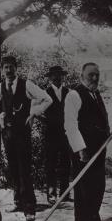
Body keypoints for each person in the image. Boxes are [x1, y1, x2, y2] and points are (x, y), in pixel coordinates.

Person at [0, 55, 52, 221]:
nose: (8, 70)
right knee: (13, 169)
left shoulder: (26, 84)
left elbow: (47, 99)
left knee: (25, 169)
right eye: (5, 67)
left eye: (11, 66)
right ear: (2, 70)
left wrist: (34, 113)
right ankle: (18, 202)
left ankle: (30, 207)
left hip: (22, 133)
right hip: (7, 134)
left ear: (16, 67)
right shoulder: (0, 87)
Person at [64, 62, 110, 221]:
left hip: (98, 149)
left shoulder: (96, 94)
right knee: (83, 186)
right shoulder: (74, 95)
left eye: (97, 74)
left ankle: (93, 220)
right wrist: (80, 149)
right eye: (91, 74)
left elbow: (102, 119)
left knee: (98, 185)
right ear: (82, 76)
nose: (95, 78)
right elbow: (70, 125)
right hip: (82, 149)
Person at [44, 66, 71, 204]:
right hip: (51, 134)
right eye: (54, 75)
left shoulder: (69, 93)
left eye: (59, 75)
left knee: (66, 163)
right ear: (50, 78)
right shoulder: (45, 93)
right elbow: (36, 111)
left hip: (66, 134)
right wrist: (47, 121)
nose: (56, 78)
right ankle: (51, 194)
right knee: (51, 164)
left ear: (63, 77)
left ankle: (65, 193)